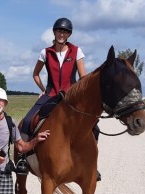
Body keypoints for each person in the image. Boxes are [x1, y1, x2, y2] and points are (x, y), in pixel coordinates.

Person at [20, 17, 101, 181]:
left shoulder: (76, 51)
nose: (61, 34)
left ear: (69, 34)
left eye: (64, 32)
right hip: (50, 94)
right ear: (54, 32)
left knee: (95, 128)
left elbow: (83, 77)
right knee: (28, 121)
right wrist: (43, 89)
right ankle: (23, 159)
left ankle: (92, 164)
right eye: (59, 31)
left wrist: (80, 95)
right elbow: (35, 74)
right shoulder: (45, 52)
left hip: (70, 97)